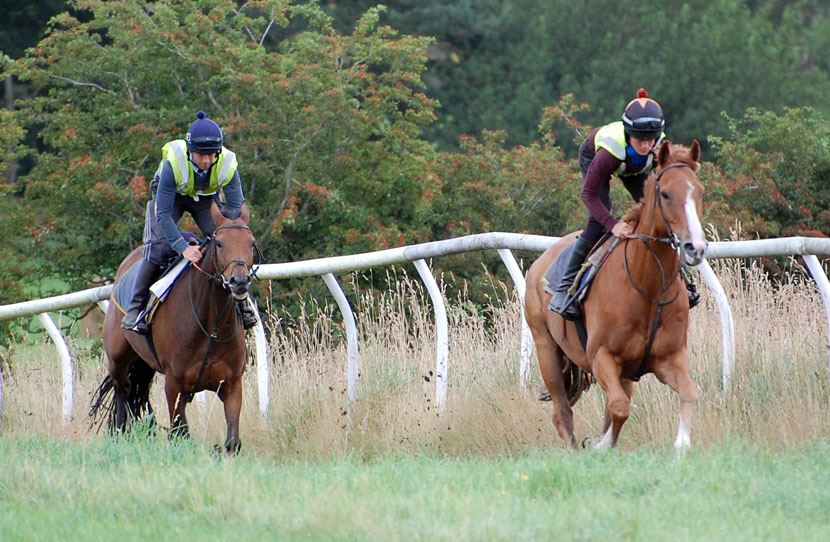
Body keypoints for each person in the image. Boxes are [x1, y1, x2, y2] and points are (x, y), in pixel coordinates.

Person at [549, 88, 700, 319]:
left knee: (659, 217)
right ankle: (563, 289)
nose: (645, 145)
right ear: (629, 133)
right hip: (599, 158)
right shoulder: (609, 153)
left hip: (634, 168)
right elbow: (588, 194)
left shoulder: (658, 147)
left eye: (650, 139)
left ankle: (683, 278)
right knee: (596, 224)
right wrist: (613, 225)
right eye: (640, 139)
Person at [121, 111, 258, 333]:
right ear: (189, 152)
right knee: (157, 246)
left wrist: (230, 233)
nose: (206, 161)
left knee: (225, 239)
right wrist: (183, 248)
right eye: (200, 155)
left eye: (211, 155)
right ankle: (135, 308)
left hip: (204, 198)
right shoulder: (172, 164)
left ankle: (242, 302)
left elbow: (235, 211)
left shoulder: (228, 163)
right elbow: (163, 215)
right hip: (171, 197)